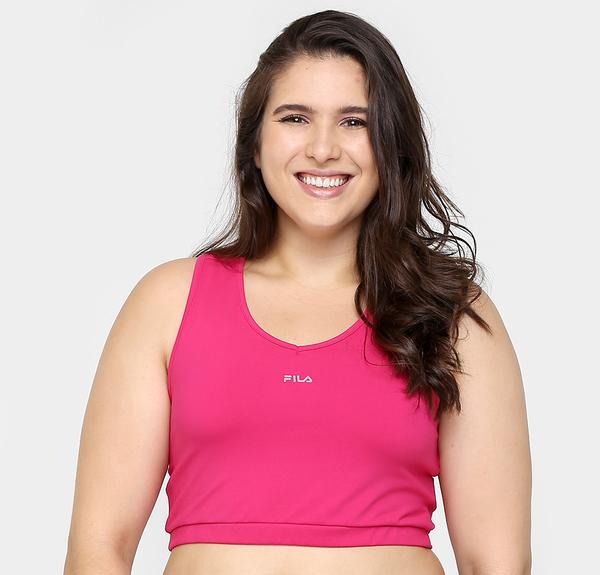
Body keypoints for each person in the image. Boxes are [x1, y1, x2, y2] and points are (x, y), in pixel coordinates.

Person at [63, 9, 532, 575]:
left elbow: (496, 562)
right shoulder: (167, 303)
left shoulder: (454, 315)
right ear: (255, 144)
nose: (323, 148)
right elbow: (99, 546)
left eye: (354, 121)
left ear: (392, 144)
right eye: (295, 118)